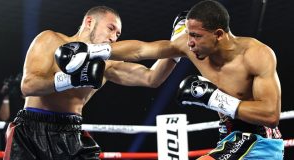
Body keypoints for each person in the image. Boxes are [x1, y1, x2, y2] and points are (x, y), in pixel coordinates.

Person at [109, 0, 284, 159]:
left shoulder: (256, 54)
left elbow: (270, 115)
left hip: (259, 141)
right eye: (188, 34)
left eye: (196, 36)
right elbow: (142, 50)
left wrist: (214, 98)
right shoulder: (191, 46)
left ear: (219, 34)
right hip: (229, 139)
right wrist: (93, 50)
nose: (189, 42)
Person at [4, 6, 179, 160]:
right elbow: (28, 86)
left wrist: (179, 47)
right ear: (89, 22)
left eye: (117, 34)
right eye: (110, 28)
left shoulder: (107, 65)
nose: (113, 38)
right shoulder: (51, 40)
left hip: (72, 133)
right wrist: (73, 79)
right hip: (32, 130)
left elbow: (152, 78)